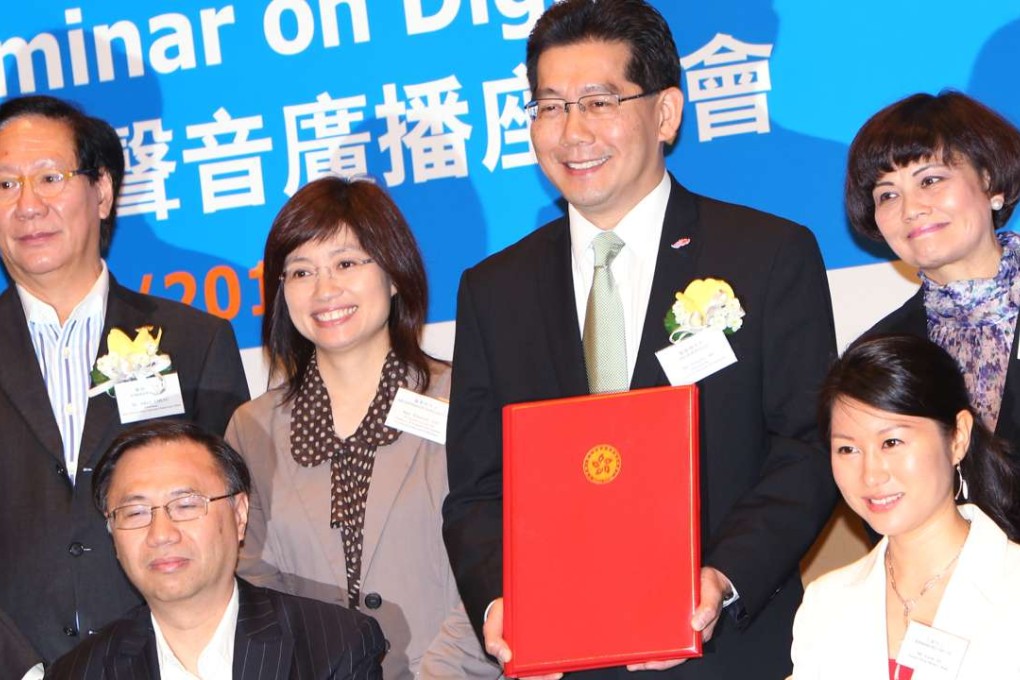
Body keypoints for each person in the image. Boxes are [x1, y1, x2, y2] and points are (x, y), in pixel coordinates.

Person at [441, 1, 838, 678]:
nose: (572, 132)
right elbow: (477, 490)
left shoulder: (767, 255)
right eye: (550, 106)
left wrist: (721, 578)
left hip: (725, 650)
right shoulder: (492, 290)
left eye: (599, 101)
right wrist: (497, 601)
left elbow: (807, 445)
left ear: (666, 113)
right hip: (562, 658)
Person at [0, 95, 251, 665]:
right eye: (6, 185)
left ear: (103, 191)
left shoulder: (195, 341)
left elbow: (230, 519)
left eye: (49, 177)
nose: (28, 205)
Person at [225, 176, 496, 679]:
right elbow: (249, 579)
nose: (325, 290)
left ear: (394, 275)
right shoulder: (251, 428)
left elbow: (497, 559)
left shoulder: (466, 400)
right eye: (300, 272)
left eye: (346, 263)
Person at [45, 420, 386, 679]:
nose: (161, 534)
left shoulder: (334, 645)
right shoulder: (78, 672)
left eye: (186, 505)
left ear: (239, 515)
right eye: (135, 512)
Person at [790, 334, 1020, 678]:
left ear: (958, 436)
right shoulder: (826, 603)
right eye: (847, 449)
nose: (871, 474)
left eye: (892, 442)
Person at [847, 91, 1020, 455]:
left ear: (990, 183)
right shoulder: (881, 353)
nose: (911, 209)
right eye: (888, 195)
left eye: (930, 181)